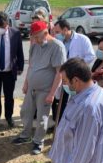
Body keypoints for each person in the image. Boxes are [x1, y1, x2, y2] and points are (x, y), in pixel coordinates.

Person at [12, 21, 66, 155]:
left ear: (46, 33)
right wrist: (26, 84)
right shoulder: (35, 46)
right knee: (25, 112)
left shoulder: (57, 47)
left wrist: (52, 94)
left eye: (37, 36)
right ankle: (25, 135)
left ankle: (38, 141)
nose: (34, 40)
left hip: (46, 90)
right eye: (33, 37)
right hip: (31, 88)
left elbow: (60, 73)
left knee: (42, 118)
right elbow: (31, 66)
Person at [49, 58, 103, 163]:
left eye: (64, 81)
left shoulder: (88, 109)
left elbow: (83, 153)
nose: (62, 85)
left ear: (75, 80)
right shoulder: (94, 91)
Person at [52, 19, 95, 122]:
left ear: (65, 29)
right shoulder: (58, 41)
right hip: (60, 76)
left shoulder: (82, 39)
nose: (55, 34)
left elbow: (91, 56)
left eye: (57, 32)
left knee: (73, 101)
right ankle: (57, 123)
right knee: (58, 101)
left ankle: (70, 122)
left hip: (75, 77)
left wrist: (75, 66)